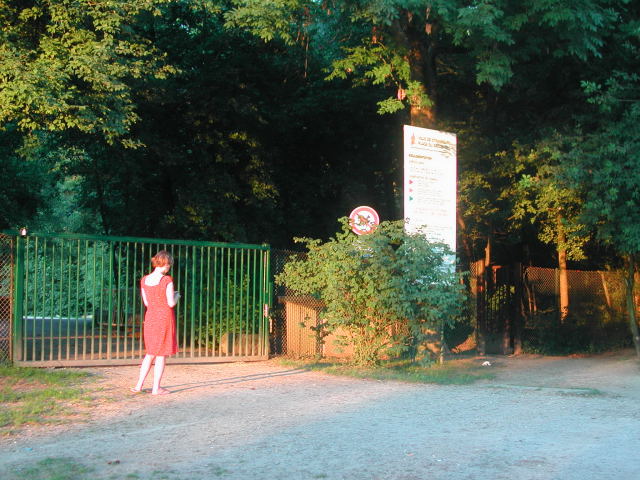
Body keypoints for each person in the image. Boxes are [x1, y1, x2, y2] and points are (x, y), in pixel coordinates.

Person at [131, 250, 179, 395]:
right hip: (164, 318)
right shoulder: (166, 280)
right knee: (161, 354)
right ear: (166, 263)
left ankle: (138, 386)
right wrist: (177, 296)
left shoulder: (144, 280)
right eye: (169, 264)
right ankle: (156, 388)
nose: (169, 267)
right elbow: (170, 303)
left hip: (151, 317)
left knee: (150, 353)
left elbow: (146, 302)